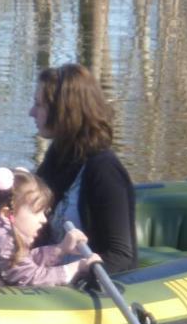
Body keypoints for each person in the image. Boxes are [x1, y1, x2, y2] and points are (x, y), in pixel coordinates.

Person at [30, 63, 138, 273]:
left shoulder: (104, 170)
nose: (31, 112)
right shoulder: (58, 155)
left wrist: (73, 274)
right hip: (46, 274)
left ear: (62, 111)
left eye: (38, 105)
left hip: (79, 288)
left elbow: (122, 257)